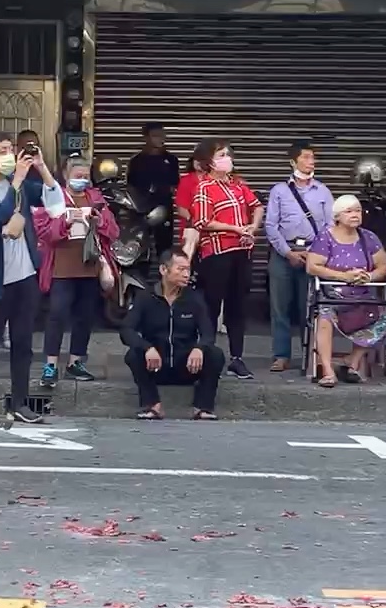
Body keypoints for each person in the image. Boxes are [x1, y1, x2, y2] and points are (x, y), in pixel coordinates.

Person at [0, 130, 63, 423]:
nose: (11, 155)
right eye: (4, 150)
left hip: (24, 275)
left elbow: (55, 205)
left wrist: (41, 167)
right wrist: (16, 181)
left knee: (23, 342)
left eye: (12, 149)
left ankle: (19, 403)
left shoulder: (20, 183)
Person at [36, 155, 119, 386]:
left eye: (86, 176)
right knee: (57, 314)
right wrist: (67, 221)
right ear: (66, 175)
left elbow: (113, 231)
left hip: (89, 265)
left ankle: (75, 362)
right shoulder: (56, 197)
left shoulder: (95, 198)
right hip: (61, 266)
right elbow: (45, 232)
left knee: (85, 316)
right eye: (77, 176)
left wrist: (98, 219)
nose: (82, 180)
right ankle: (50, 364)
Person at [186, 139, 263, 378]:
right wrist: (235, 229)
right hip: (216, 254)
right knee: (210, 305)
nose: (226, 158)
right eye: (221, 154)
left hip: (242, 251)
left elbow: (257, 205)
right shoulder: (204, 188)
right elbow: (202, 222)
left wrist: (252, 226)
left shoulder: (238, 185)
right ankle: (206, 354)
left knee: (237, 306)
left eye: (228, 154)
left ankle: (237, 358)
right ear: (209, 161)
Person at [123, 248, 222, 420]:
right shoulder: (145, 297)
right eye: (180, 269)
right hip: (155, 364)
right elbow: (126, 330)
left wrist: (199, 348)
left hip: (186, 365)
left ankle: (203, 407)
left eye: (188, 270)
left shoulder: (194, 298)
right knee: (133, 355)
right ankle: (152, 405)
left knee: (215, 355)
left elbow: (208, 331)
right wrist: (147, 348)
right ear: (163, 270)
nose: (186, 274)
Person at [306, 194, 386, 387]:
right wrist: (343, 277)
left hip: (362, 294)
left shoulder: (369, 237)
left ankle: (351, 363)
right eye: (349, 211)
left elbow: (384, 267)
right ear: (337, 216)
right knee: (325, 318)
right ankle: (328, 371)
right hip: (331, 294)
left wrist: (369, 277)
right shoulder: (325, 237)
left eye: (358, 211)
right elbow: (312, 266)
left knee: (381, 317)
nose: (355, 215)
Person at [264, 141, 331, 373]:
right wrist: (288, 252)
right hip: (284, 254)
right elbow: (271, 225)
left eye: (313, 157)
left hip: (313, 255)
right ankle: (281, 355)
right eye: (306, 157)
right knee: (279, 307)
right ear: (293, 161)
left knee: (310, 306)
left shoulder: (323, 191)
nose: (311, 161)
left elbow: (330, 227)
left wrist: (317, 253)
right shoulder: (279, 191)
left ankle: (311, 354)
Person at [128, 123, 180, 207]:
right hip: (141, 208)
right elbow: (131, 186)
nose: (160, 139)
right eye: (155, 136)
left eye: (162, 135)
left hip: (164, 208)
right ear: (146, 138)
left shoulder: (171, 159)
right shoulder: (136, 161)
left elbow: (175, 185)